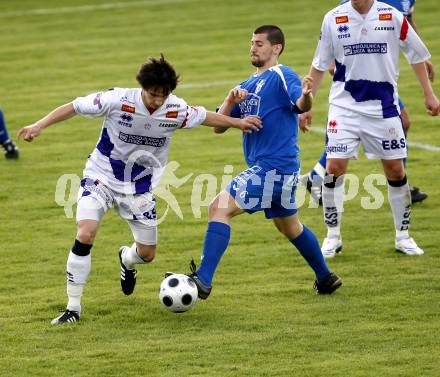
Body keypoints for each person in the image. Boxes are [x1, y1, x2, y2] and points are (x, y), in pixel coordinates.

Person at [18, 55, 262, 325]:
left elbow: (205, 117)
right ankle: (72, 308)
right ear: (142, 87)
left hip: (139, 189)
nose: (157, 100)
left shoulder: (176, 109)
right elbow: (75, 106)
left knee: (147, 254)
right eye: (152, 94)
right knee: (86, 233)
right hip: (101, 176)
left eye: (163, 95)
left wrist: (239, 123)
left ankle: (126, 259)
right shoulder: (118, 99)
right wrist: (39, 125)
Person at [168, 25, 342, 301]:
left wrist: (308, 94)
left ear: (276, 48)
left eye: (259, 43)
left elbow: (300, 104)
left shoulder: (281, 75)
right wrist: (228, 99)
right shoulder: (246, 86)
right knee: (289, 226)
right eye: (251, 43)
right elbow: (218, 126)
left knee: (218, 207)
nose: (253, 47)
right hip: (282, 170)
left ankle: (203, 279)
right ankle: (326, 277)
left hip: (272, 167)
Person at [300, 0, 439, 258]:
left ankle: (403, 236)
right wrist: (307, 105)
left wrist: (429, 94)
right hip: (344, 108)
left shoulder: (392, 16)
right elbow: (320, 64)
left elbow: (416, 55)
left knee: (396, 170)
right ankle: (332, 237)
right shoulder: (333, 17)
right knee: (334, 168)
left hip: (384, 109)